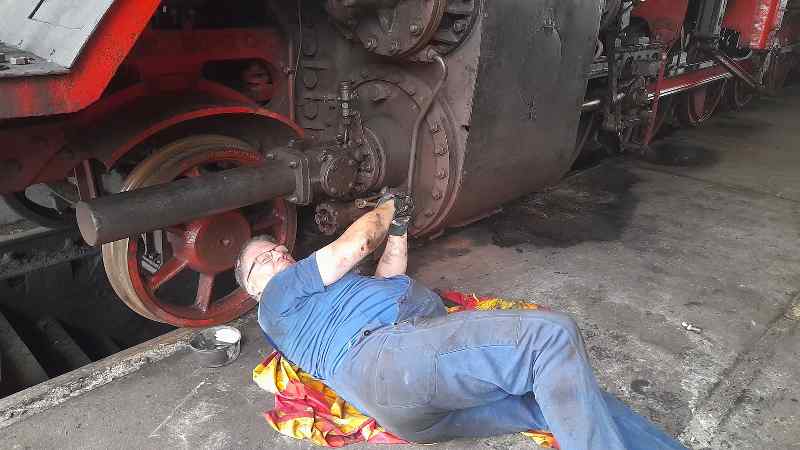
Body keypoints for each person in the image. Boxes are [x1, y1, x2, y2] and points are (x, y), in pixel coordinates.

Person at [235, 192, 688, 450]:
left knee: (567, 397)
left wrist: (399, 226)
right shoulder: (276, 297)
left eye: (279, 249)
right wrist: (387, 205)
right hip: (390, 360)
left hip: (406, 406)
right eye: (265, 259)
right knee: (549, 338)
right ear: (252, 289)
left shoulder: (316, 298)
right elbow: (354, 245)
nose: (280, 255)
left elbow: (390, 277)